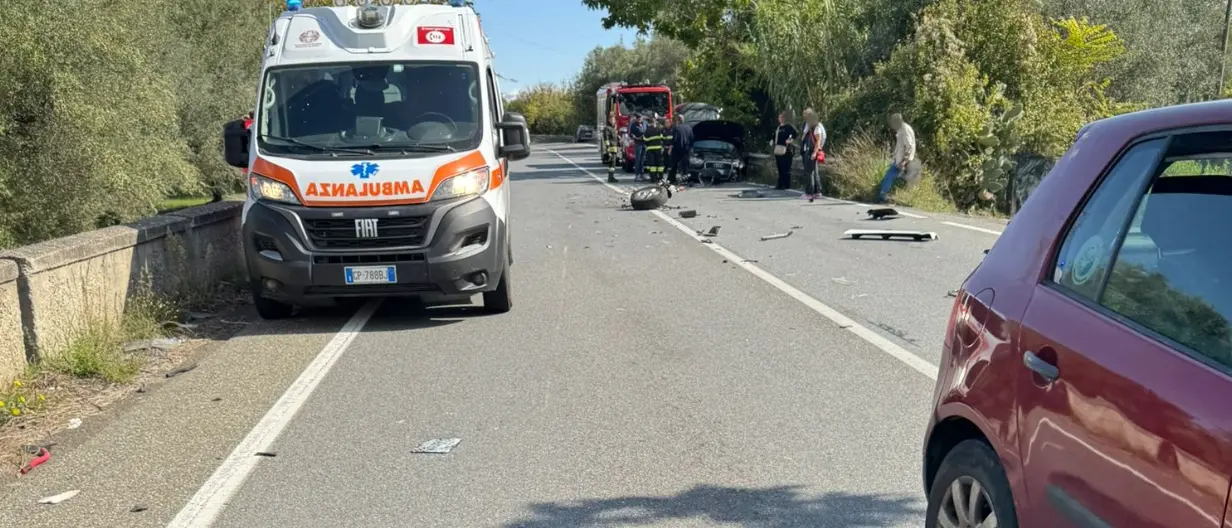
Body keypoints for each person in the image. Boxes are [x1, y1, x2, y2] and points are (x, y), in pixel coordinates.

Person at [878, 113, 917, 204]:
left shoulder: (904, 130)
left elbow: (909, 147)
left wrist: (903, 161)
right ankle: (889, 197)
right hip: (900, 160)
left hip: (904, 161)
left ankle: (884, 198)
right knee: (892, 177)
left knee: (889, 176)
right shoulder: (902, 128)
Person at [799, 108, 827, 202]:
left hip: (812, 150)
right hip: (809, 150)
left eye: (806, 114)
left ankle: (810, 193)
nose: (805, 116)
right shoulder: (810, 126)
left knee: (809, 172)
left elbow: (818, 141)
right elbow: (803, 136)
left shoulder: (817, 127)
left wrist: (815, 152)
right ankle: (815, 192)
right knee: (812, 171)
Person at [772, 111, 798, 190]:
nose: (781, 119)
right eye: (779, 117)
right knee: (779, 167)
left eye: (782, 117)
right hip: (778, 149)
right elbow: (774, 137)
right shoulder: (778, 128)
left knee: (785, 167)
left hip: (787, 150)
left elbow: (795, 133)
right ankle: (780, 184)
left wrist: (790, 140)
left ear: (785, 118)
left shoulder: (788, 126)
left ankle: (786, 184)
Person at [667, 114, 694, 184]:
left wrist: (670, 149)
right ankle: (685, 180)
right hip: (686, 149)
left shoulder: (676, 128)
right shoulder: (689, 128)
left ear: (678, 120)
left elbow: (674, 140)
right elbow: (692, 138)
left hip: (677, 149)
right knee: (685, 165)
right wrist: (691, 148)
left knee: (674, 164)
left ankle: (671, 179)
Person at [644, 114, 664, 183]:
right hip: (659, 149)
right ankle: (660, 178)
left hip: (650, 150)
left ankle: (653, 179)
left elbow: (645, 140)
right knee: (660, 165)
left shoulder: (647, 130)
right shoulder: (660, 129)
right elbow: (663, 138)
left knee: (652, 165)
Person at [602, 115, 620, 183]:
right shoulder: (607, 128)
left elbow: (614, 139)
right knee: (612, 165)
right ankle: (610, 178)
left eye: (614, 120)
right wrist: (608, 150)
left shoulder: (613, 129)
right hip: (611, 150)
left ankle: (611, 177)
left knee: (613, 165)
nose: (614, 121)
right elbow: (606, 140)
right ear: (609, 120)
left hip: (614, 149)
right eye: (612, 120)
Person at [629, 114, 647, 181]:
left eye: (640, 118)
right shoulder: (633, 125)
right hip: (638, 143)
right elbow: (630, 133)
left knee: (642, 160)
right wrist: (634, 137)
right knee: (638, 159)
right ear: (636, 119)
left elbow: (647, 131)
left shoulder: (645, 123)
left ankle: (642, 174)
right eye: (638, 118)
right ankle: (637, 175)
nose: (639, 120)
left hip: (644, 143)